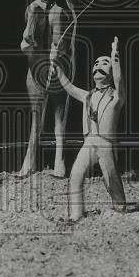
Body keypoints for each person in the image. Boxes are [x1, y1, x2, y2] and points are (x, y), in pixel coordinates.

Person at [49, 36, 126, 220]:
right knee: (76, 175)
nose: (99, 65)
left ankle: (120, 207)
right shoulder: (87, 96)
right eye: (96, 62)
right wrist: (57, 67)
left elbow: (119, 80)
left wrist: (115, 56)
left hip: (105, 144)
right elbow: (68, 86)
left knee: (111, 177)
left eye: (104, 62)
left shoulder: (116, 96)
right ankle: (75, 215)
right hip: (89, 143)